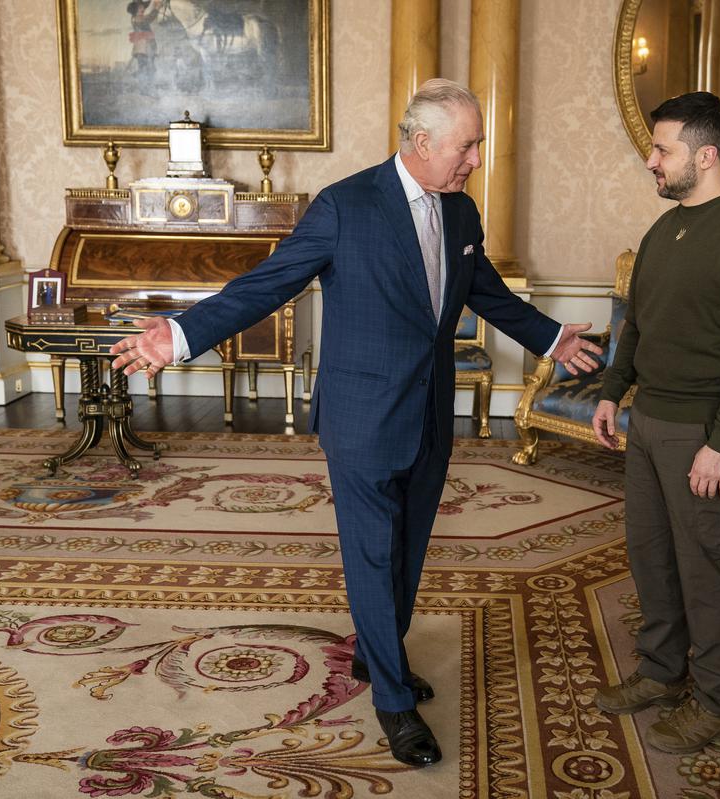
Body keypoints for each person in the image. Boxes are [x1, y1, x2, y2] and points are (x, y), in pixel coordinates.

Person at [110, 79, 603, 767]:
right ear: (422, 142)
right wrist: (183, 335)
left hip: (430, 406)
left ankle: (381, 655)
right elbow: (268, 283)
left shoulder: (460, 213)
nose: (476, 159)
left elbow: (482, 288)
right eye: (468, 145)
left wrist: (552, 338)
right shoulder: (346, 205)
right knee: (373, 553)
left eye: (477, 144)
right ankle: (393, 702)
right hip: (363, 414)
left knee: (408, 547)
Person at [590, 92, 720, 754]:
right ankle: (660, 671)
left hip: (701, 430)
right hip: (648, 422)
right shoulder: (663, 230)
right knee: (652, 558)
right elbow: (637, 323)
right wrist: (613, 392)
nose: (650, 161)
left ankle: (713, 701)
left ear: (706, 156)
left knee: (706, 566)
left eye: (662, 149)